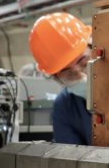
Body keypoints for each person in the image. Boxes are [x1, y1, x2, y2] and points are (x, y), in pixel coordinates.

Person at [28, 12, 92, 145]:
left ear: (93, 47)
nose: (80, 74)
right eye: (69, 73)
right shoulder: (64, 106)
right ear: (57, 78)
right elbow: (72, 160)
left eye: (83, 62)